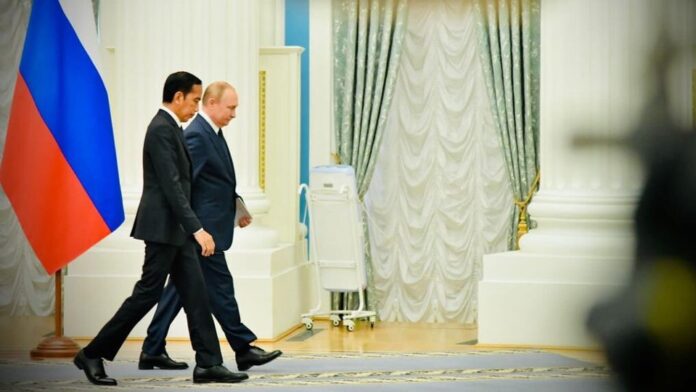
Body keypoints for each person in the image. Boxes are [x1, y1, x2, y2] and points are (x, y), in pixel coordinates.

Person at [73, 72, 248, 386]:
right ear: (178, 97)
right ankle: (92, 352)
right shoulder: (160, 129)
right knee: (146, 294)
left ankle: (208, 363)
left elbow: (183, 183)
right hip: (162, 229)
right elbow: (172, 188)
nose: (197, 107)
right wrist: (198, 229)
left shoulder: (172, 129)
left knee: (195, 293)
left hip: (175, 230)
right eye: (195, 100)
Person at [139, 81, 282, 372]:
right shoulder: (196, 136)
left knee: (179, 289)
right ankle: (243, 348)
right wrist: (195, 229)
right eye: (231, 107)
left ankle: (152, 348)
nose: (234, 113)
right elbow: (185, 186)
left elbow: (216, 181)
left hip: (209, 228)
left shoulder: (211, 133)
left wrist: (237, 207)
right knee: (220, 287)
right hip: (203, 232)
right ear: (212, 103)